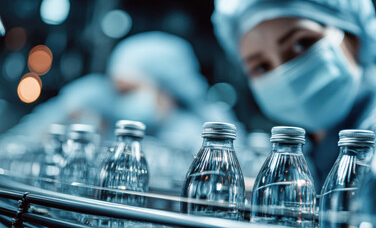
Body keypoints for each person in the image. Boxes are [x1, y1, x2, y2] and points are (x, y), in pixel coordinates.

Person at [211, 0, 376, 190]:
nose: (284, 74)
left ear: (353, 39)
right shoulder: (310, 145)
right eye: (260, 66)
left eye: (301, 44)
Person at [0, 31, 238, 155]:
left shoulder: (198, 130)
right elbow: (20, 139)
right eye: (118, 89)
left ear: (169, 88)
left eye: (132, 90)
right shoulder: (95, 102)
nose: (121, 100)